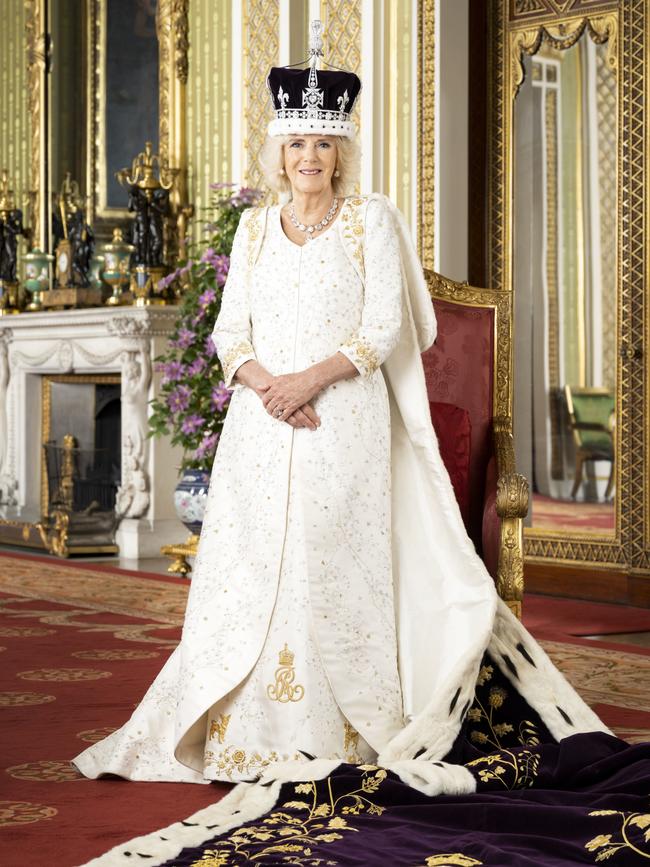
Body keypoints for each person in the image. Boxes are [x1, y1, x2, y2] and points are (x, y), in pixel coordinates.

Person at [72, 42, 605, 787]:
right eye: (297, 143)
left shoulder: (370, 222)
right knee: (260, 569)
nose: (309, 156)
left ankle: (345, 727)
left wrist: (307, 382)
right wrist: (267, 385)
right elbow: (230, 333)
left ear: (341, 151)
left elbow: (383, 328)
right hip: (262, 426)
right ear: (278, 153)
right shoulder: (255, 229)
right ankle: (241, 732)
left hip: (343, 418)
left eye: (323, 142)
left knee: (329, 564)